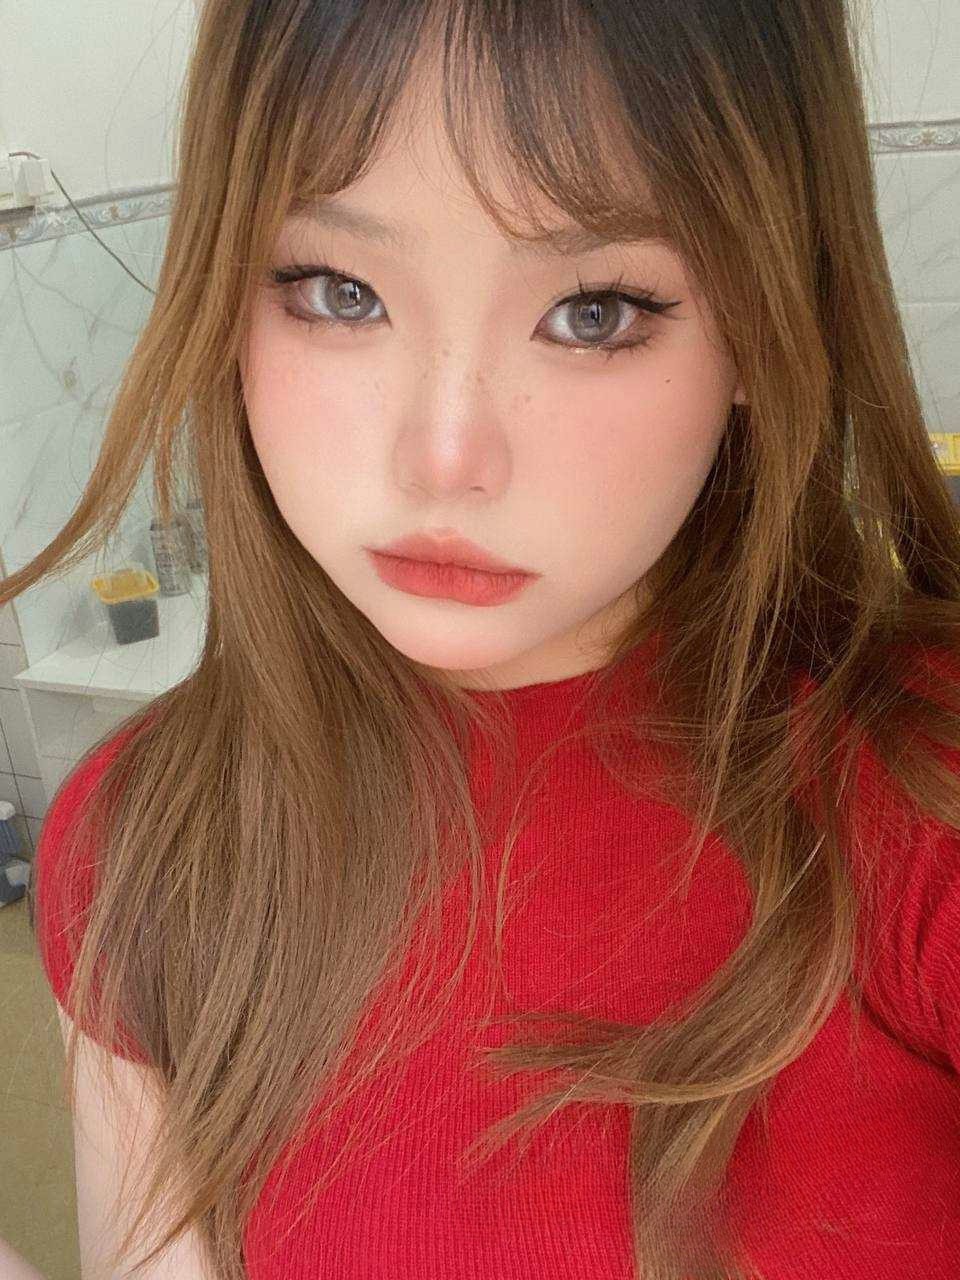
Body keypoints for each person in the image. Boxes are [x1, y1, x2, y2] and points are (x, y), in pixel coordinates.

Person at [3, 0, 960, 1277]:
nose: (445, 458)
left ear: (766, 321)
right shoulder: (140, 843)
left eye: (594, 312)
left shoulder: (913, 788)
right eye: (339, 292)